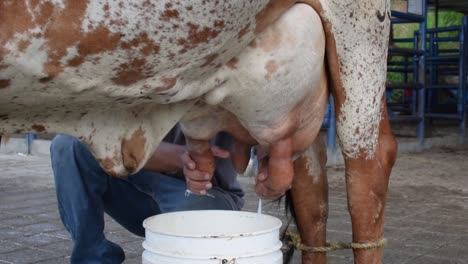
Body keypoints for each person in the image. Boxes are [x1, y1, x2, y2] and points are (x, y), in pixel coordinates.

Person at [50, 125, 244, 263]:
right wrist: (183, 157)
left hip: (203, 198)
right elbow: (109, 140)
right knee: (69, 143)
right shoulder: (135, 76)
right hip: (137, 189)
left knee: (204, 210)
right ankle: (92, 258)